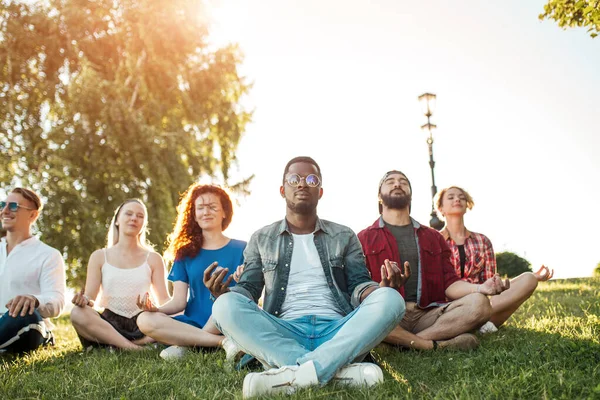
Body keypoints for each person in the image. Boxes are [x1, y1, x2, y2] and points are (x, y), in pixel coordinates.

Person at [205, 156, 406, 398]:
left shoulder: (344, 235)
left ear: (320, 191)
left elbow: (358, 285)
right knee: (224, 306)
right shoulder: (261, 238)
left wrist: (381, 290)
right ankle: (333, 369)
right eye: (294, 179)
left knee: (392, 299)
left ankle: (291, 374)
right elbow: (248, 288)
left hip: (337, 330)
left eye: (311, 179)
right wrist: (222, 293)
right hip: (284, 331)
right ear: (282, 190)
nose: (302, 184)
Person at [358, 170, 510, 352]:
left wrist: (480, 288)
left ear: (411, 195)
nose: (397, 184)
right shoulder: (363, 238)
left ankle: (403, 344)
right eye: (390, 181)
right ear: (379, 196)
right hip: (387, 316)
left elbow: (450, 284)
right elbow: (359, 289)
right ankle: (435, 344)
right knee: (360, 317)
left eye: (403, 182)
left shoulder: (432, 237)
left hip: (427, 315)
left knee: (480, 304)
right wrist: (382, 289)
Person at [136, 184, 246, 360]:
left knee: (227, 308)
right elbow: (179, 302)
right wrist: (156, 309)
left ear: (224, 212)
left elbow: (248, 294)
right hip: (192, 323)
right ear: (194, 215)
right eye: (200, 208)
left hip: (227, 319)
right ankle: (221, 342)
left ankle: (189, 345)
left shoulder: (243, 248)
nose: (206, 212)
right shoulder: (185, 252)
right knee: (144, 319)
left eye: (212, 207)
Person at [436, 186, 553, 332]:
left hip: (481, 301)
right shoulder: (434, 240)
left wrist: (531, 277)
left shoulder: (483, 241)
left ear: (467, 205)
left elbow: (491, 284)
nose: (457, 199)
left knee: (529, 279)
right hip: (447, 307)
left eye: (462, 197)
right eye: (451, 197)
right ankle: (477, 323)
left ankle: (482, 322)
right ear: (440, 208)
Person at [70, 199, 171, 350]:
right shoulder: (99, 256)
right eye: (128, 214)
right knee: (78, 313)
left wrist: (161, 310)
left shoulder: (154, 258)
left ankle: (118, 345)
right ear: (117, 220)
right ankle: (133, 347)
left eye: (140, 216)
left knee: (175, 315)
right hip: (109, 324)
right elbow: (90, 297)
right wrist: (83, 300)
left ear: (144, 224)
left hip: (144, 323)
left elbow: (164, 300)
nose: (134, 218)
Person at [0, 188, 66, 353]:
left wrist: (34, 300)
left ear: (33, 215)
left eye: (13, 206)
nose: (5, 210)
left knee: (25, 314)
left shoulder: (49, 255)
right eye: (3, 205)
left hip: (26, 324)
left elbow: (57, 302)